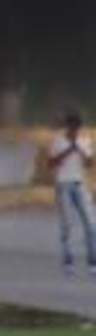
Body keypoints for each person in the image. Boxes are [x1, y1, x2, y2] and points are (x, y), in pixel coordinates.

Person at [58, 112, 96, 276]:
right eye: (71, 127)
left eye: (76, 128)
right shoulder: (58, 142)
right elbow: (51, 163)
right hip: (63, 185)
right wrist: (68, 150)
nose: (74, 131)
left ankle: (92, 261)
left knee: (91, 223)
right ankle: (68, 260)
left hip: (80, 184)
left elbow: (89, 163)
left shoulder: (85, 141)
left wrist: (79, 149)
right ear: (67, 127)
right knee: (67, 224)